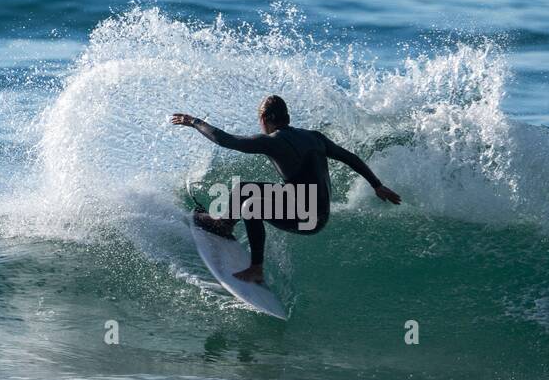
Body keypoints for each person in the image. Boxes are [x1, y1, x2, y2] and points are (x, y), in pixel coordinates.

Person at [171, 95, 401, 283]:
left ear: (264, 118)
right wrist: (377, 185)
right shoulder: (314, 137)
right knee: (245, 189)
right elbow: (350, 157)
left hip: (307, 218)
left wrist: (195, 122)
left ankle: (256, 268)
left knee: (251, 206)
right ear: (287, 117)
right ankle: (224, 224)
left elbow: (227, 140)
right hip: (315, 212)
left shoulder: (272, 141)